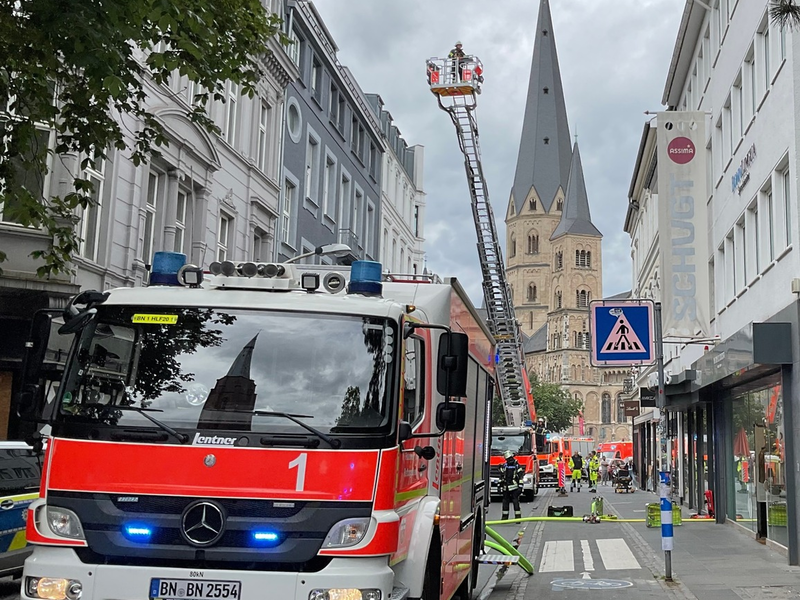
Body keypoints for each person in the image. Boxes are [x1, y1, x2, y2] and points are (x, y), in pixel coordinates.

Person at [500, 449, 524, 521]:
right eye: (508, 459)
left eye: (509, 458)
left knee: (515, 501)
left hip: (514, 487)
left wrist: (520, 486)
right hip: (507, 487)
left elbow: (520, 476)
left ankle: (517, 518)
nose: (509, 460)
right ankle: (505, 517)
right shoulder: (505, 465)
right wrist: (500, 485)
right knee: (506, 502)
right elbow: (502, 476)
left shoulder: (516, 465)